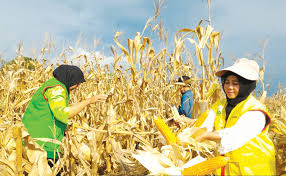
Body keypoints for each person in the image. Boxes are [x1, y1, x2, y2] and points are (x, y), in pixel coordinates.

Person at [194, 58, 276, 175]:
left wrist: (206, 136)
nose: (229, 87)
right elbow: (205, 125)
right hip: (226, 170)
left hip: (253, 171)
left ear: (247, 85)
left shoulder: (256, 110)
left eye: (235, 83)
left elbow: (236, 135)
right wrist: (188, 125)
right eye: (227, 82)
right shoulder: (220, 106)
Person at [22, 65, 107, 165]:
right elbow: (63, 113)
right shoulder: (56, 88)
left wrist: (64, 128)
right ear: (69, 79)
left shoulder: (54, 85)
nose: (78, 85)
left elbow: (51, 112)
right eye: (77, 82)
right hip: (40, 145)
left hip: (37, 142)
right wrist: (88, 101)